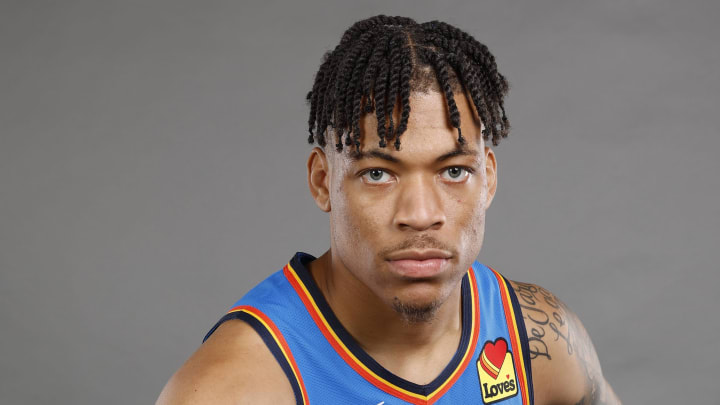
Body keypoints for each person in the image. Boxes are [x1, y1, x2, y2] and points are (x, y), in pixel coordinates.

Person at [156, 15, 621, 405]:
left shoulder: (539, 340)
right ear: (323, 181)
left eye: (454, 171)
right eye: (378, 173)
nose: (420, 214)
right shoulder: (236, 385)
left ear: (489, 179)